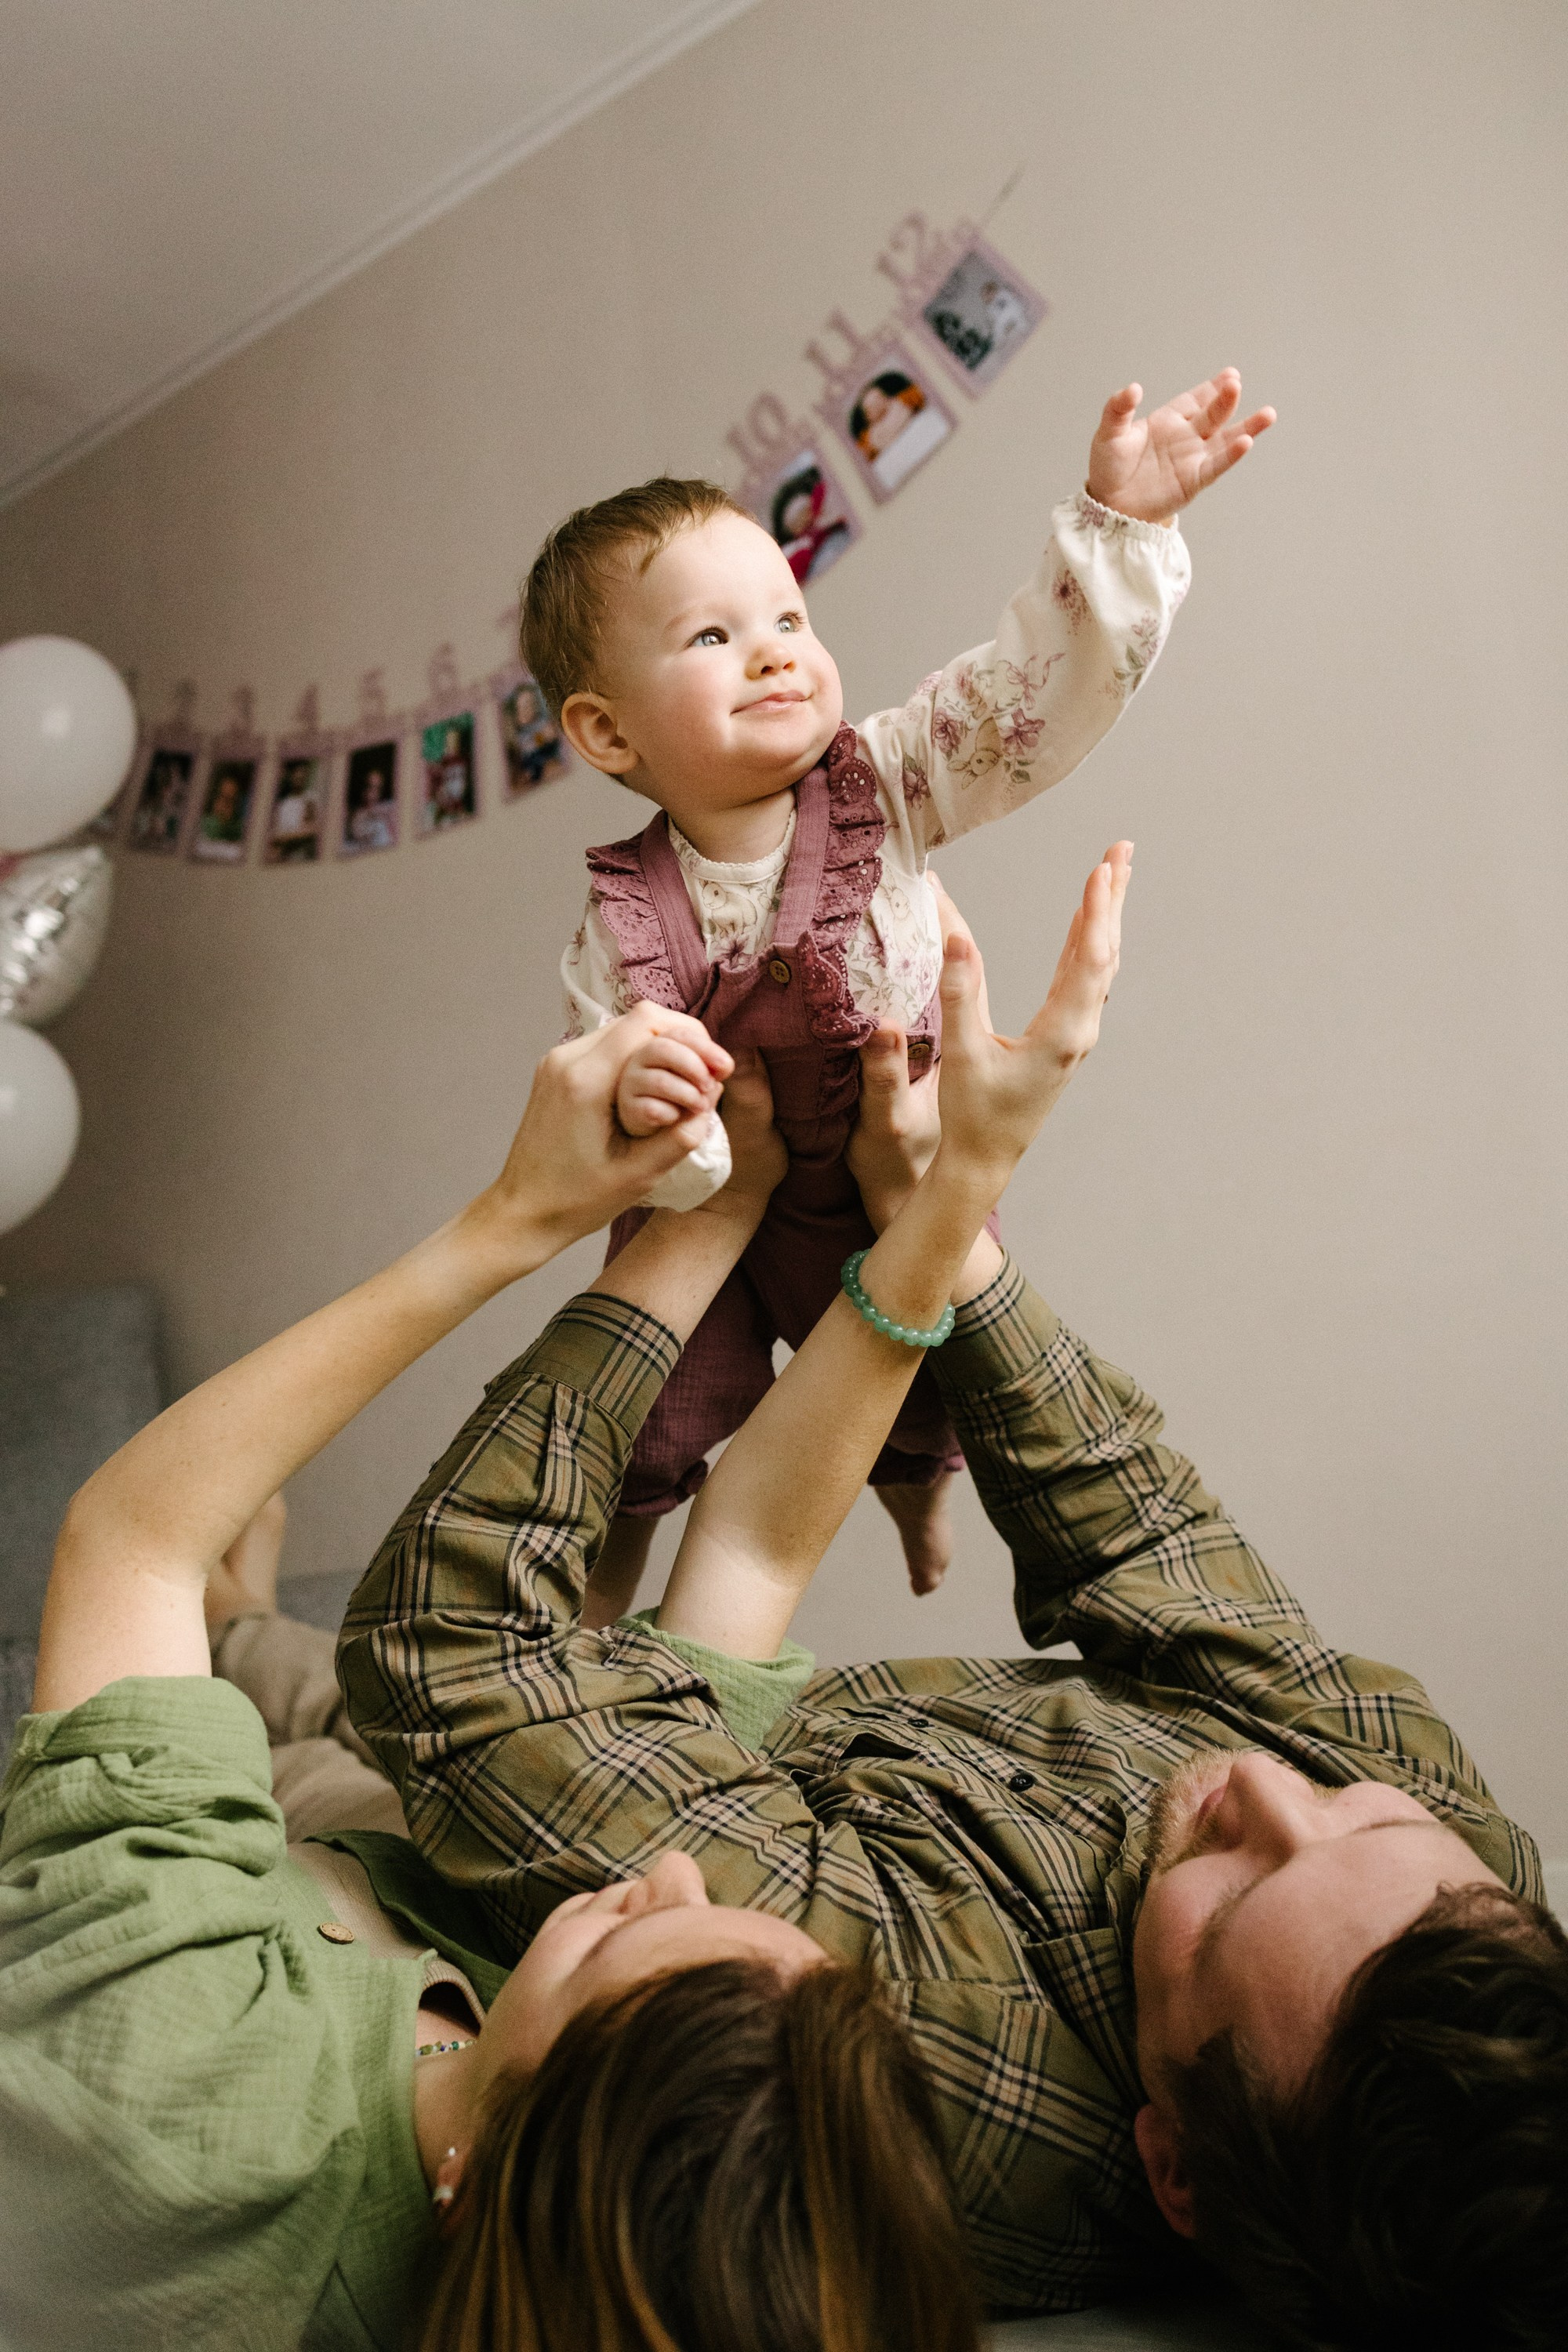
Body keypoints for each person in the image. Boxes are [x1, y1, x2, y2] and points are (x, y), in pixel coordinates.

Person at [340, 877, 1566, 2349]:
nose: (1261, 1789)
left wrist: (689, 1224)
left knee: (284, 1716)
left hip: (612, 1749)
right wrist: (945, 1209)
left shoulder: (921, 2071)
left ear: (1168, 2159)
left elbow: (445, 1651)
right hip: (738, 1697)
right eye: (1361, 1817)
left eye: (1230, 1891)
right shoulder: (1464, 1895)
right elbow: (1153, 1538)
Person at [0, 845, 1123, 2352]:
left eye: (620, 1946)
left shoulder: (191, 2101)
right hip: (338, 1854)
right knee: (448, 1722)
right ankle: (251, 1630)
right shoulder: (663, 2113)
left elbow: (124, 1537)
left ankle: (239, 1633)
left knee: (335, 1688)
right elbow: (744, 1568)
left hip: (167, 1905)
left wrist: (515, 1218)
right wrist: (910, 1199)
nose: (671, 1876)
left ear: (489, 2176)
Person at [535, 367, 1274, 1620]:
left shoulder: (888, 778)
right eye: (713, 638)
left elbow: (1025, 703)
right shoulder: (620, 914)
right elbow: (596, 1088)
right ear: (611, 736)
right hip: (709, 1213)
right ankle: (605, 1576)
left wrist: (1119, 529)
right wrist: (652, 1112)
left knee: (924, 1392)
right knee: (635, 1414)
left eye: (787, 619)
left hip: (895, 1177)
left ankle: (918, 1505)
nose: (774, 655)